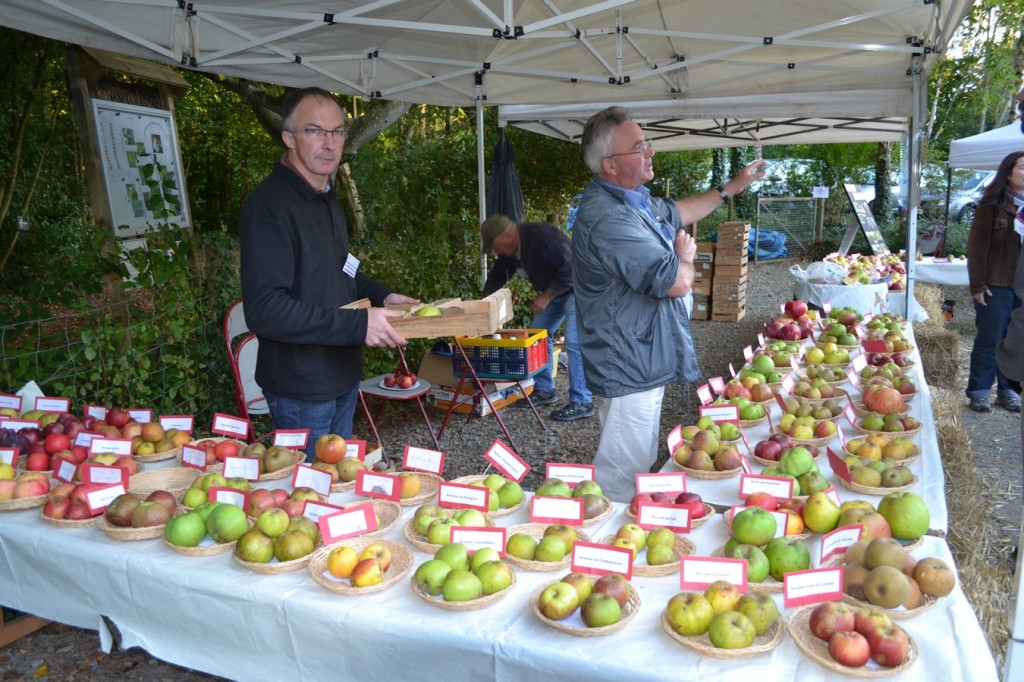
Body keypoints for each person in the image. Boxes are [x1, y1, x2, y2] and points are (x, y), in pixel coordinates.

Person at [571, 106, 767, 501]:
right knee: (623, 471)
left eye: (647, 143)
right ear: (611, 164)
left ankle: (623, 534)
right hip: (627, 361)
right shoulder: (610, 219)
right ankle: (608, 544)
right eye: (640, 146)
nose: (651, 152)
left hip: (640, 355)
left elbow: (682, 210)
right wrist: (687, 256)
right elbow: (676, 283)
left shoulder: (631, 202)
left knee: (637, 454)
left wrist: (734, 186)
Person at [239, 87, 418, 461]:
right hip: (301, 388)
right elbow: (265, 309)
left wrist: (383, 296)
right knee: (308, 499)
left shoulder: (326, 196)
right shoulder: (269, 207)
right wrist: (358, 325)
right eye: (315, 131)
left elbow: (343, 268)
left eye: (338, 132)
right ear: (288, 138)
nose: (330, 143)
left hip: (341, 374)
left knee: (335, 489)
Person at [480, 214, 594, 421]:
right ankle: (545, 390)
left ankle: (582, 401)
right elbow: (500, 272)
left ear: (507, 235)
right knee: (537, 335)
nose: (496, 251)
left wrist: (547, 295)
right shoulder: (512, 250)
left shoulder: (542, 236)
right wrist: (484, 299)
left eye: (496, 246)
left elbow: (572, 269)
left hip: (578, 288)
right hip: (556, 292)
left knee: (575, 342)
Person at [965, 149, 1024, 413]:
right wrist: (978, 284)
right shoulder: (991, 205)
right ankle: (979, 391)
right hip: (997, 284)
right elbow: (977, 248)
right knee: (990, 339)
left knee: (1017, 341)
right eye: (1022, 167)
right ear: (1008, 173)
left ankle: (1008, 390)